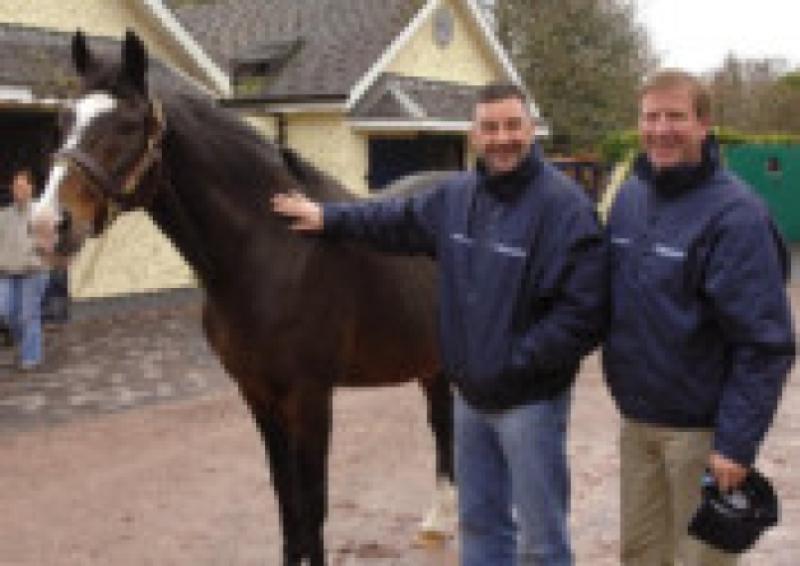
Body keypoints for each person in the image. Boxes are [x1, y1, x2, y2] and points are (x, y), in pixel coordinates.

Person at [271, 82, 607, 566]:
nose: (502, 137)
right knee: (481, 527)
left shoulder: (563, 208)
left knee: (542, 541)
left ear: (532, 130)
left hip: (529, 404)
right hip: (470, 403)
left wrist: (518, 364)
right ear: (474, 135)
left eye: (513, 125)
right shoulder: (455, 198)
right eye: (490, 127)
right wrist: (326, 216)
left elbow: (585, 313)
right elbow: (390, 219)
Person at [603, 69, 796, 565]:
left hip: (701, 436)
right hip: (638, 425)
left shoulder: (736, 217)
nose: (661, 129)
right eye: (651, 117)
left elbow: (765, 344)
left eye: (675, 117)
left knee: (699, 561)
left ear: (704, 124)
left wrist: (735, 443)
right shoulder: (630, 200)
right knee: (640, 555)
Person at [0, 168, 49, 371]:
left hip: (33, 272)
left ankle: (31, 357)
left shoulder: (41, 212)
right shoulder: (3, 215)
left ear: (31, 188)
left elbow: (49, 245)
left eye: (22, 186)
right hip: (7, 272)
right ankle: (28, 344)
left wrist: (36, 250)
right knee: (6, 312)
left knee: (29, 315)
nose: (18, 190)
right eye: (15, 186)